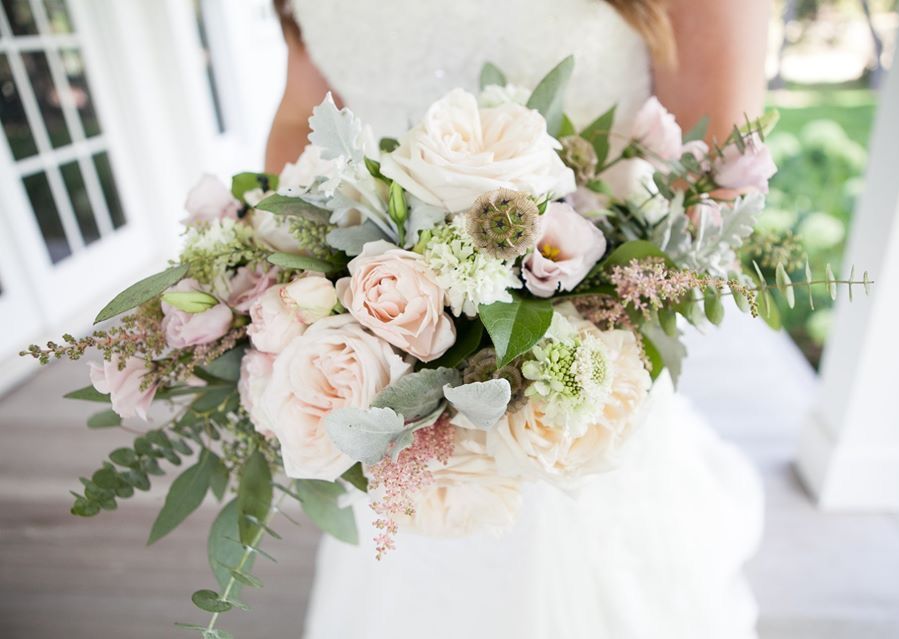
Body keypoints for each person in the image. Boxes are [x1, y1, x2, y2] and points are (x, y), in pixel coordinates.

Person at [266, 2, 770, 637]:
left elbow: (717, 170)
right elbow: (299, 113)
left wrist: (584, 304)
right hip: (384, 343)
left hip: (582, 345)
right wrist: (276, 269)